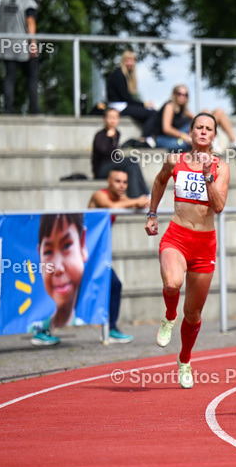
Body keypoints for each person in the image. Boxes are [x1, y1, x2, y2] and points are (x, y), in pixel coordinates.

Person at [145, 112, 231, 389]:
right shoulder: (175, 160)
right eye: (199, 128)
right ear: (191, 132)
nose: (204, 132)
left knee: (193, 315)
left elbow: (218, 207)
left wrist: (208, 177)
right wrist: (152, 213)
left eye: (209, 129)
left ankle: (184, 360)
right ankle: (169, 315)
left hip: (204, 244)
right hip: (177, 236)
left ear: (214, 135)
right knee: (172, 283)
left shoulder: (221, 167)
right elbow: (159, 182)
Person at [88, 171, 150, 344]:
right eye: (117, 181)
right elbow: (111, 207)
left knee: (114, 285)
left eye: (125, 182)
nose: (122, 185)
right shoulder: (99, 195)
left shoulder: (121, 199)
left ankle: (111, 328)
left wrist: (141, 203)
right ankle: (41, 327)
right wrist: (137, 202)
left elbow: (133, 204)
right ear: (108, 181)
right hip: (81, 250)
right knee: (70, 289)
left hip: (95, 254)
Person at [30, 213, 87, 346]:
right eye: (48, 252)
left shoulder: (83, 321)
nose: (58, 268)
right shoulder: (29, 325)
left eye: (66, 246)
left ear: (82, 244)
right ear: (39, 255)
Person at [146, 85, 236, 153]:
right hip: (166, 139)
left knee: (215, 112)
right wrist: (183, 136)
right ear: (174, 95)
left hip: (183, 135)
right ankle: (211, 141)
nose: (182, 97)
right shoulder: (170, 106)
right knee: (205, 115)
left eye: (185, 95)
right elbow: (166, 128)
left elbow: (198, 118)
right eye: (179, 94)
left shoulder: (184, 110)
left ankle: (234, 141)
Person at [0, 0, 39, 114]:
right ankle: (34, 109)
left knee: (9, 77)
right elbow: (30, 21)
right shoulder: (27, 1)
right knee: (32, 76)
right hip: (22, 42)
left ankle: (8, 109)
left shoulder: (4, 1)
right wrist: (33, 43)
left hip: (6, 42)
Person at [91, 107, 149, 198]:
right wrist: (109, 137)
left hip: (113, 165)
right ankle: (146, 193)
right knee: (132, 159)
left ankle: (136, 197)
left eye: (115, 118)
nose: (113, 120)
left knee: (132, 168)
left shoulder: (117, 133)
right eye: (110, 117)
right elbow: (104, 151)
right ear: (105, 119)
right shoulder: (100, 135)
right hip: (102, 169)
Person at [105, 50, 156, 128]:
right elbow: (126, 98)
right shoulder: (119, 75)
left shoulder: (126, 75)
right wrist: (143, 104)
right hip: (118, 106)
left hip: (122, 105)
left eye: (132, 61)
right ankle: (145, 138)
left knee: (148, 112)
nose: (130, 63)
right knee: (152, 113)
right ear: (123, 61)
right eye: (127, 61)